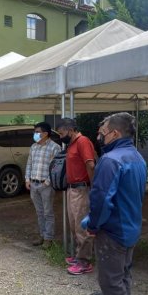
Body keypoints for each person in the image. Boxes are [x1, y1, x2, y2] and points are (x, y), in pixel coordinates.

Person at [81, 113, 147, 295]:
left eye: (104, 132)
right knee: (123, 276)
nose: (100, 136)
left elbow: (100, 199)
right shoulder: (136, 157)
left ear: (115, 134)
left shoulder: (110, 160)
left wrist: (93, 225)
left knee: (111, 280)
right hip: (130, 226)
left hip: (113, 230)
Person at [56, 118, 96, 275]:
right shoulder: (72, 143)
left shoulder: (82, 141)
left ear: (71, 129)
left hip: (82, 189)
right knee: (74, 225)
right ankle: (79, 255)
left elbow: (90, 164)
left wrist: (94, 187)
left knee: (82, 227)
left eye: (61, 133)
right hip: (72, 189)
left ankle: (84, 262)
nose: (60, 137)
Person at [25, 122, 61, 249]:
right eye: (35, 132)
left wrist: (47, 182)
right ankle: (42, 235)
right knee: (39, 212)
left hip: (46, 185)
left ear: (45, 133)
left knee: (48, 212)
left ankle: (48, 238)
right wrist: (27, 180)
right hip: (33, 184)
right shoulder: (34, 147)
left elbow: (56, 168)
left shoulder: (54, 147)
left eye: (37, 132)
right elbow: (29, 164)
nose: (35, 134)